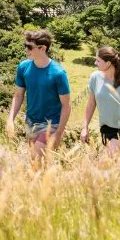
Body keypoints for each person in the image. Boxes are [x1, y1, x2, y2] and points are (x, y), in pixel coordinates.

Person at [6, 29, 71, 161]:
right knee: (38, 165)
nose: (26, 49)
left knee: (36, 159)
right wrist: (10, 119)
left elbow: (66, 105)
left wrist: (58, 133)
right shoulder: (23, 67)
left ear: (43, 48)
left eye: (30, 47)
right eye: (25, 46)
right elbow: (18, 96)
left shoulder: (58, 73)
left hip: (50, 125)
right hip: (30, 122)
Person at [81, 46, 120, 153]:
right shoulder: (95, 77)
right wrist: (85, 127)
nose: (95, 63)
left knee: (105, 160)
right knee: (114, 166)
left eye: (98, 60)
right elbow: (91, 104)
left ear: (108, 63)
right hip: (106, 128)